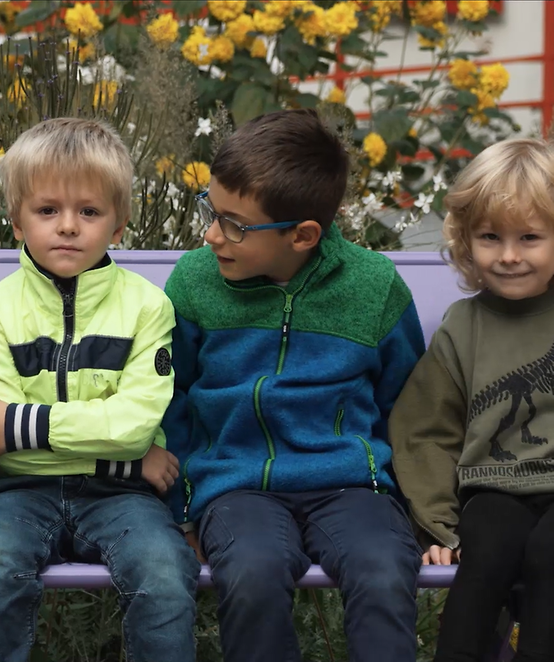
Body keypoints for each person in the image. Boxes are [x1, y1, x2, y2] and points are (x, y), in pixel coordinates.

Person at [162, 109, 425, 662]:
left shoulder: (374, 288)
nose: (212, 234)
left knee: (382, 570)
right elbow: (172, 398)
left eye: (233, 224)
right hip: (235, 487)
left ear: (303, 235)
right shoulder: (194, 281)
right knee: (253, 574)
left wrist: (413, 503)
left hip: (352, 486)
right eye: (211, 211)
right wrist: (180, 502)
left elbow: (403, 403)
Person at [0, 117, 200, 662]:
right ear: (16, 221)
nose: (68, 226)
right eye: (47, 210)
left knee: (164, 571)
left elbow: (135, 424)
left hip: (120, 499)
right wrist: (127, 459)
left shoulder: (145, 307)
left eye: (88, 212)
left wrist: (26, 426)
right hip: (16, 495)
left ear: (119, 225)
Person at [391, 138, 554, 662]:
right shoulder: (464, 327)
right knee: (485, 558)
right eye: (490, 237)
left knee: (549, 555)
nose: (508, 255)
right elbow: (425, 430)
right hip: (494, 489)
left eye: (530, 237)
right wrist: (439, 523)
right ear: (466, 240)